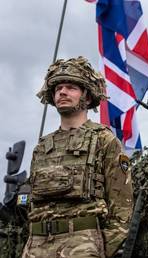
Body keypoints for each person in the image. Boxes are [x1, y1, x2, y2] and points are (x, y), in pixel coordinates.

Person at [22, 57, 133, 258]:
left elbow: (123, 208)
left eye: (71, 87)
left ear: (87, 97)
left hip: (82, 245)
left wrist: (99, 249)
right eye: (58, 88)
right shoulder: (42, 147)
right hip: (36, 246)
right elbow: (32, 203)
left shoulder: (104, 140)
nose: (62, 92)